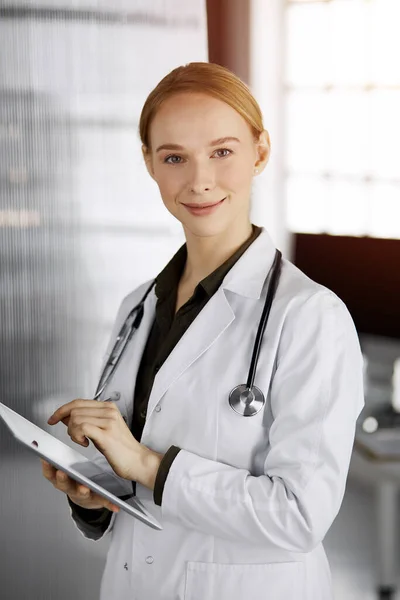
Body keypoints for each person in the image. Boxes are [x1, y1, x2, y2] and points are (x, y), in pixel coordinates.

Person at [41, 62, 364, 600]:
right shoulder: (138, 307)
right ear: (149, 163)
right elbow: (136, 474)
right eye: (174, 157)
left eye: (222, 151)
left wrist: (145, 465)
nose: (199, 180)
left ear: (260, 151)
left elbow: (300, 516)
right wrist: (98, 494)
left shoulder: (310, 316)